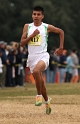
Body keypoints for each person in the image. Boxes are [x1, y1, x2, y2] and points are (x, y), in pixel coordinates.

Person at [20, 6, 64, 115]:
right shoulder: (27, 26)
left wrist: (61, 47)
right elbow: (22, 43)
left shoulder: (46, 27)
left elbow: (61, 32)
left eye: (38, 14)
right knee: (41, 84)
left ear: (42, 16)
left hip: (43, 56)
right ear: (32, 15)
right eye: (34, 14)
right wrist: (32, 35)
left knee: (36, 71)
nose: (36, 16)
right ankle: (47, 101)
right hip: (32, 57)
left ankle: (38, 96)